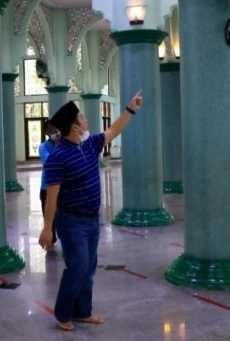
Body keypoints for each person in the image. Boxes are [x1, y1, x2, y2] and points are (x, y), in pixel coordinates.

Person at [39, 90, 143, 331]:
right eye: (83, 118)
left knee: (88, 267)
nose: (86, 121)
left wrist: (130, 109)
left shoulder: (89, 146)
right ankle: (63, 314)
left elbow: (114, 130)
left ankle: (83, 312)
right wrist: (47, 229)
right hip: (70, 222)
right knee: (77, 267)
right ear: (74, 128)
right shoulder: (58, 157)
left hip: (92, 220)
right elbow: (51, 198)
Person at [38, 120, 60, 244]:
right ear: (46, 132)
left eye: (56, 128)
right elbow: (51, 164)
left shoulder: (64, 144)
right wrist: (57, 146)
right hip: (46, 188)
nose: (55, 131)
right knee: (49, 217)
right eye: (51, 129)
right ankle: (50, 239)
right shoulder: (43, 147)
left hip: (61, 188)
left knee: (62, 217)